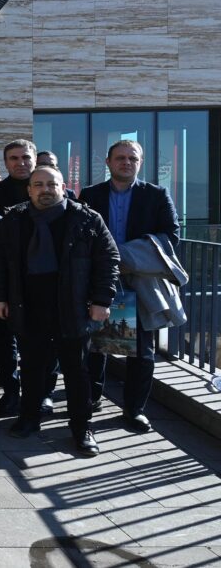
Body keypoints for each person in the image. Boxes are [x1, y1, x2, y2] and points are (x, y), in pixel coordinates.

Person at [0, 167, 119, 457]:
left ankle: (82, 428)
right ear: (29, 190)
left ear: (63, 187)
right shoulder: (14, 219)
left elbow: (108, 258)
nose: (45, 189)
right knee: (32, 367)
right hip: (28, 306)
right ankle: (29, 418)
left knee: (77, 371)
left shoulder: (86, 218)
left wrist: (102, 300)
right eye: (38, 184)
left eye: (51, 184)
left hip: (72, 307)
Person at [80, 140, 180, 433]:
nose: (126, 162)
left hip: (140, 283)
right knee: (95, 346)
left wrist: (124, 255)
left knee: (142, 352)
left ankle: (134, 410)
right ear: (108, 162)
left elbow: (171, 236)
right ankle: (91, 399)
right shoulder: (90, 195)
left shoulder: (156, 195)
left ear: (140, 162)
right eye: (120, 158)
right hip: (99, 281)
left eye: (132, 158)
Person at [0, 139, 37, 413]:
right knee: (5, 341)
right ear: (6, 163)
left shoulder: (49, 187)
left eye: (25, 157)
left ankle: (40, 394)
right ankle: (11, 392)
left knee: (40, 343)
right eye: (14, 158)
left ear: (34, 159)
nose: (20, 163)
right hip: (5, 281)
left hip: (42, 280)